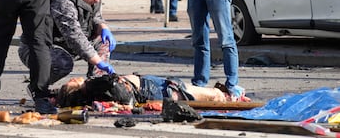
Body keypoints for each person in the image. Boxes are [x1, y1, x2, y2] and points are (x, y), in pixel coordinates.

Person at [18, 0, 116, 89]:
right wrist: (98, 61)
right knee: (62, 63)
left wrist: (102, 27)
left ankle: (95, 86)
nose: (97, 1)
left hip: (66, 46)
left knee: (103, 41)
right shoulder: (63, 0)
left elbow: (95, 16)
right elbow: (74, 36)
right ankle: (38, 87)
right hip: (38, 47)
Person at [54, 74, 250, 108]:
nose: (74, 78)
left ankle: (230, 96)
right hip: (155, 89)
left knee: (209, 95)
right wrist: (115, 79)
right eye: (71, 82)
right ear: (76, 90)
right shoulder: (93, 86)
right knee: (214, 95)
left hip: (154, 88)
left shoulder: (91, 90)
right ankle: (233, 98)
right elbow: (121, 92)